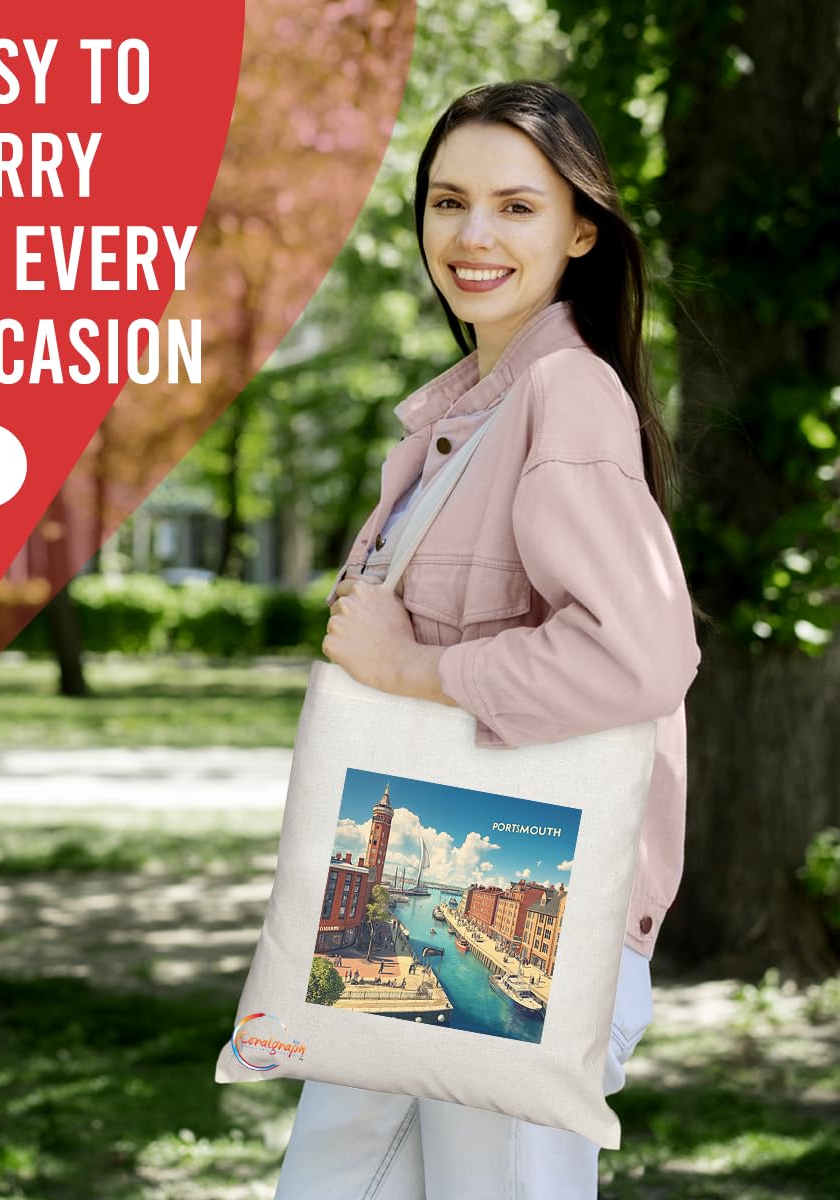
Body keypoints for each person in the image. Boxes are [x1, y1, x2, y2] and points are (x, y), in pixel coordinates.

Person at [274, 80, 700, 1200]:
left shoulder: (565, 398)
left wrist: (410, 667)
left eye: (515, 207)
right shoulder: (466, 415)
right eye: (447, 201)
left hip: (549, 918)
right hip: (449, 885)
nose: (471, 236)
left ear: (579, 230)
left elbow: (638, 659)